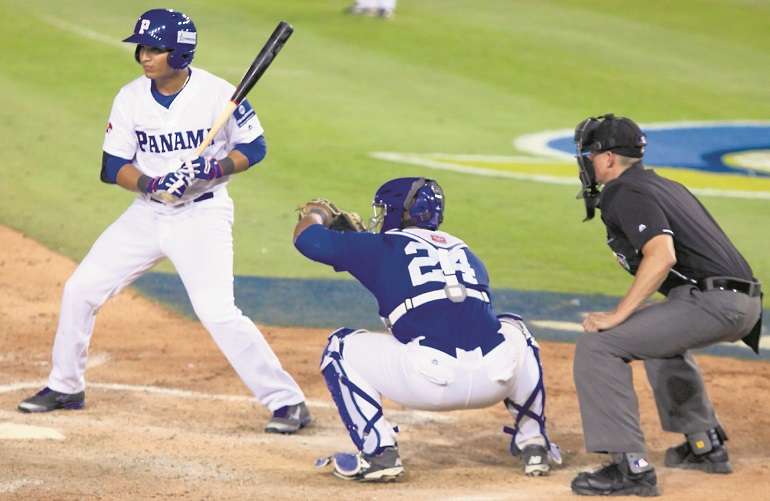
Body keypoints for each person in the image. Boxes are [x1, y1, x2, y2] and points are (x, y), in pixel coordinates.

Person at [17, 8, 311, 435]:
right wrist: (152, 183)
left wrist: (211, 170)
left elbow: (255, 147)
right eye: (142, 47)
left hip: (202, 215)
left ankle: (288, 402)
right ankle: (65, 386)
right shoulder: (130, 97)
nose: (144, 56)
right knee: (80, 289)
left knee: (218, 312)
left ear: (180, 53)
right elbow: (113, 165)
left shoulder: (218, 94)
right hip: (147, 214)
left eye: (155, 48)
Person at [293, 177, 561, 481]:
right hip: (495, 379)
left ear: (398, 212)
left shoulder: (379, 247)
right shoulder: (467, 253)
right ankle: (534, 443)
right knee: (514, 328)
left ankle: (379, 453)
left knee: (340, 346)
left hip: (432, 382)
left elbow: (308, 240)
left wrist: (316, 213)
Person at [569, 114, 763, 496]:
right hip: (742, 302)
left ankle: (630, 468)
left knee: (599, 344)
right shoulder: (662, 185)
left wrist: (618, 314)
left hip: (714, 302)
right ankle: (704, 445)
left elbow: (663, 256)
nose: (585, 162)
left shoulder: (624, 192)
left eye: (590, 154)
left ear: (608, 158)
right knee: (655, 339)